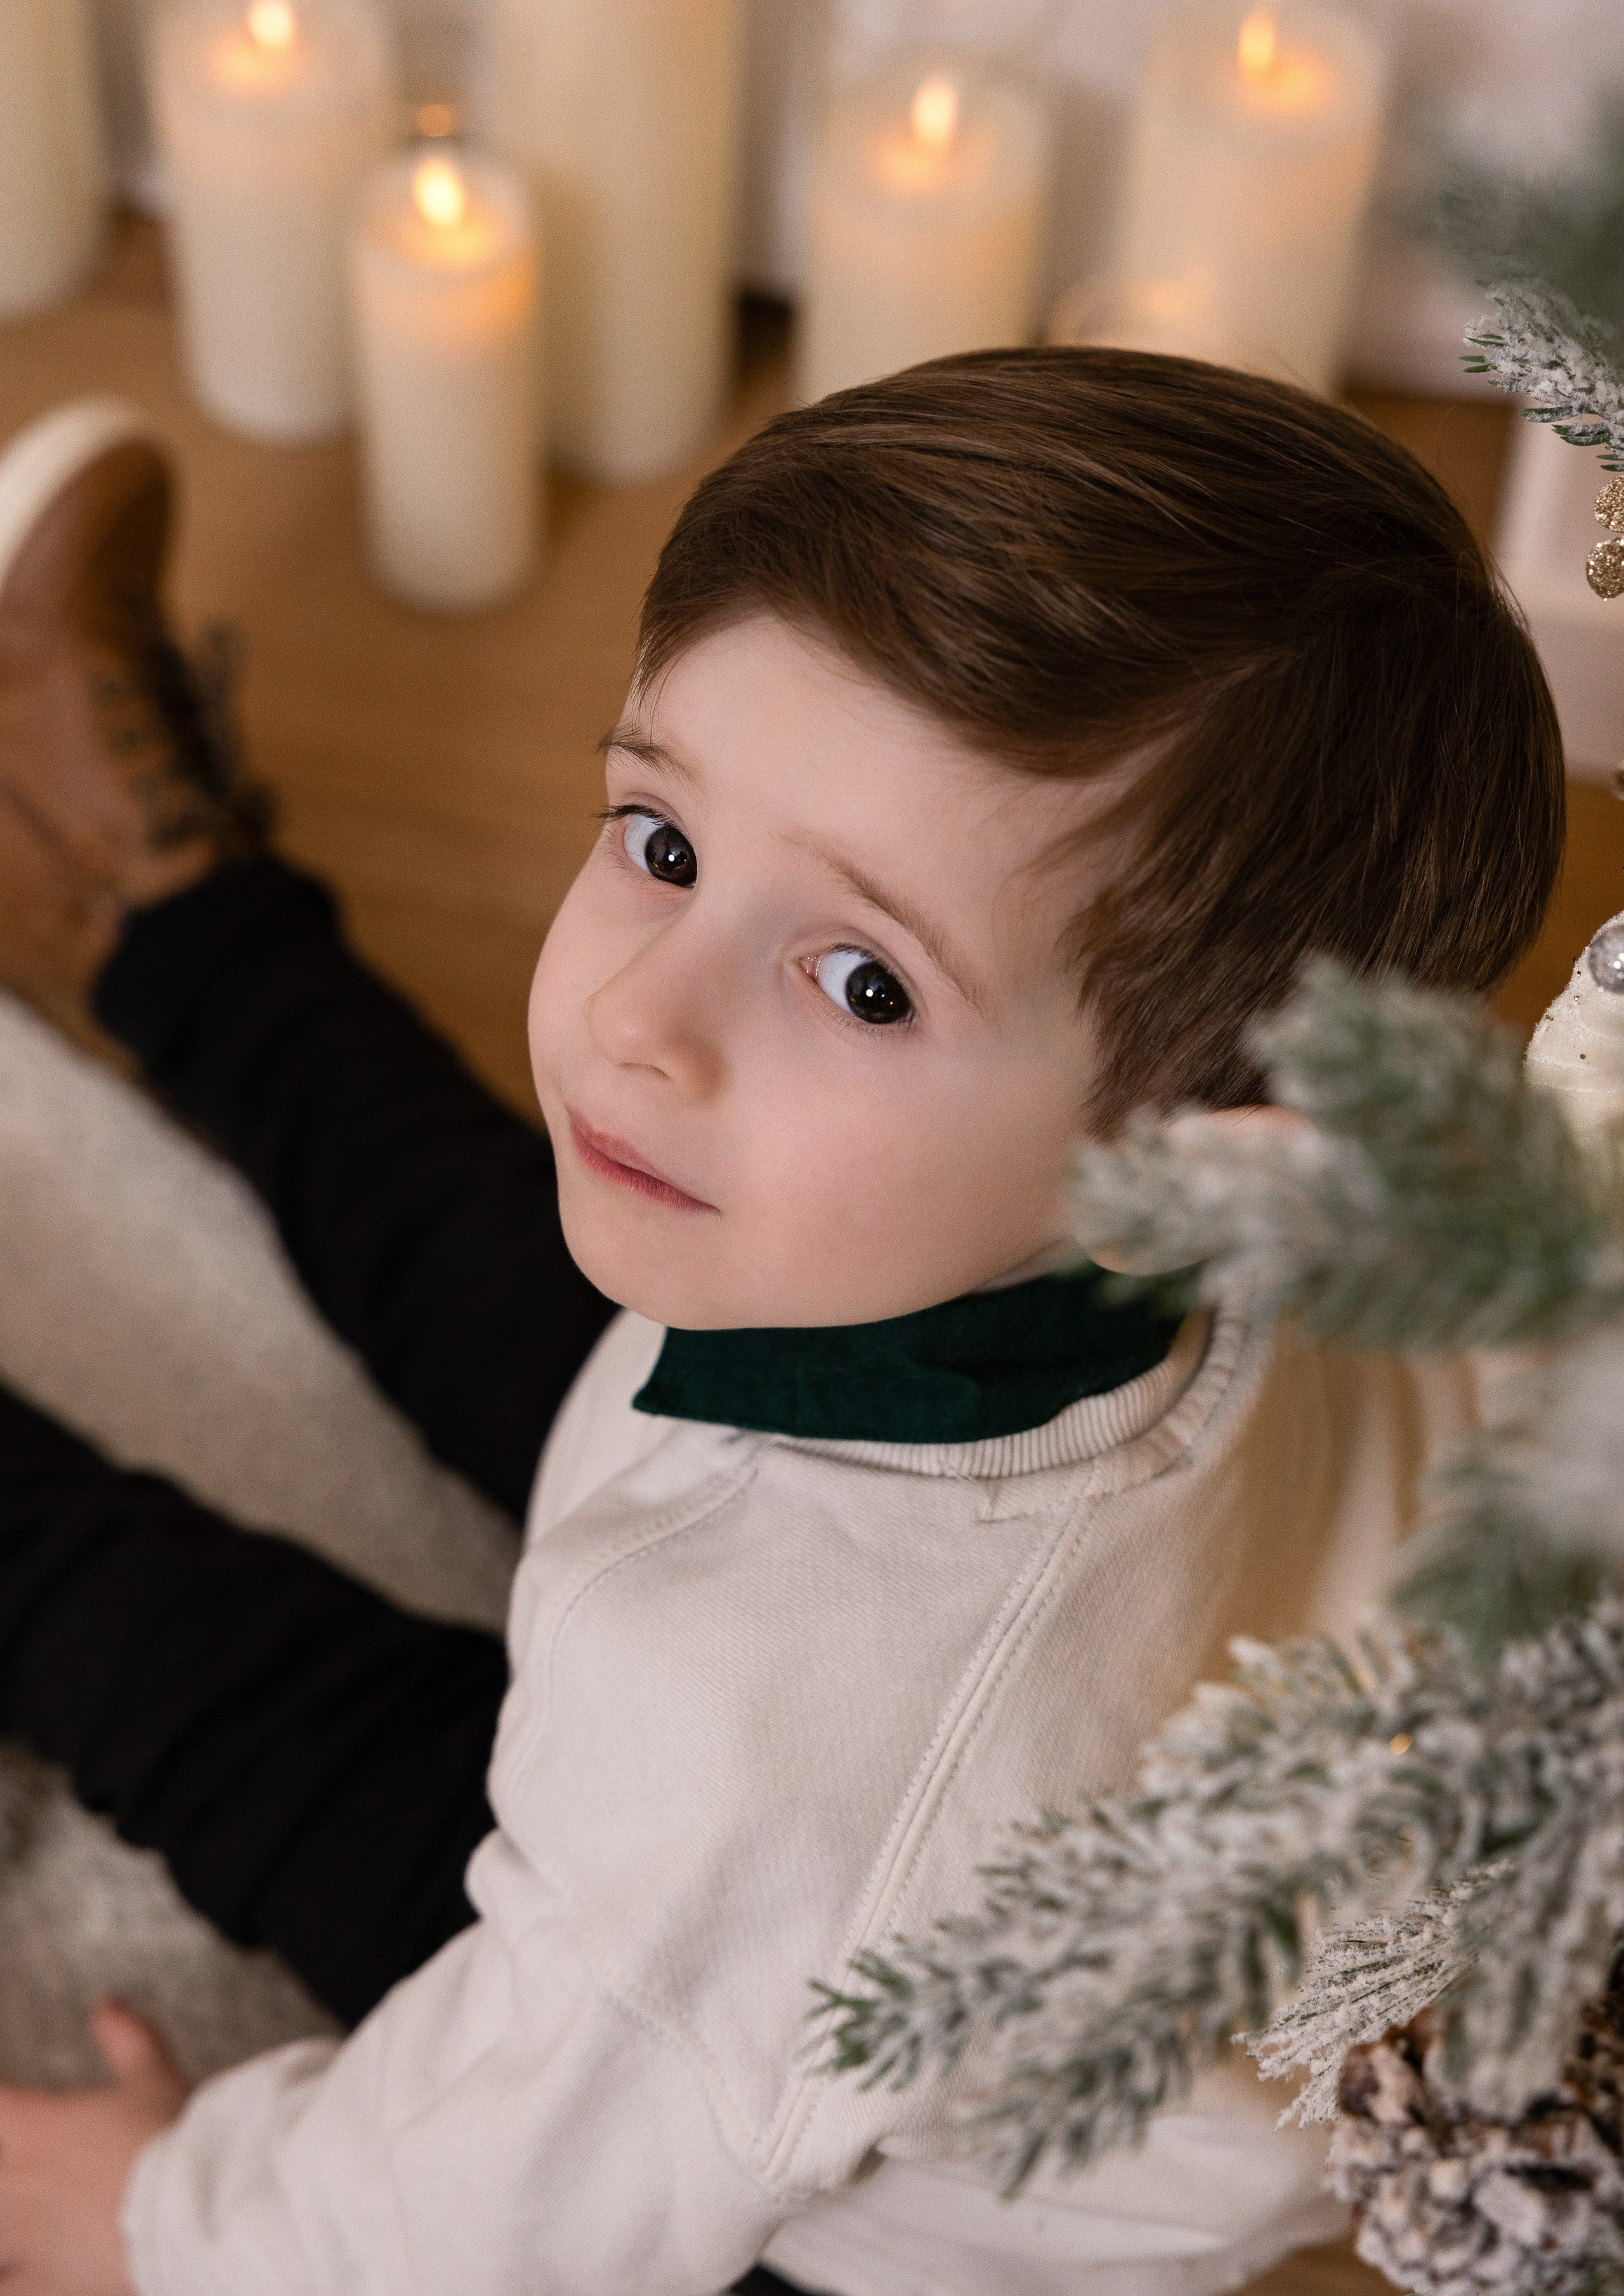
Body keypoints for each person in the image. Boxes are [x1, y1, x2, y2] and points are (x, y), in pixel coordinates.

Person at [0, 351, 1562, 2296]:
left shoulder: (767, 1751)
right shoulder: (1273, 1204)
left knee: (252, 1689)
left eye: (863, 982)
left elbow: (482, 2203)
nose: (646, 1008)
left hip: (802, 2161)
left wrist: (168, 2228)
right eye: (660, 839)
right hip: (1029, 1736)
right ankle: (156, 910)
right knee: (500, 1237)